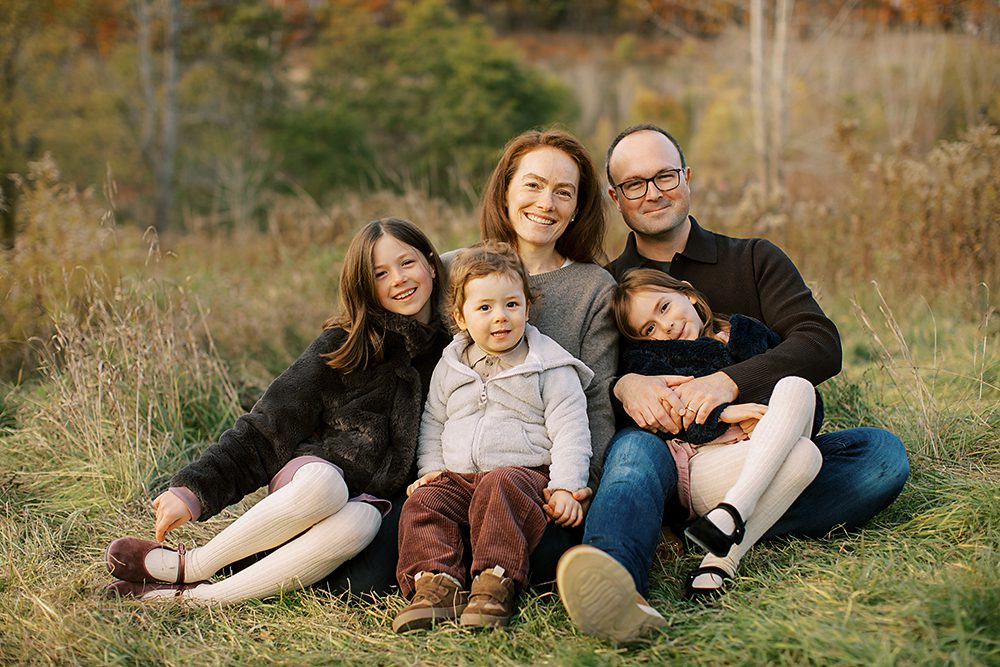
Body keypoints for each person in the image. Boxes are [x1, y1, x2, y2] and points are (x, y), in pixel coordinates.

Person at [557, 124, 910, 642]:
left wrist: (727, 381)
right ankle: (618, 584)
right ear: (616, 197)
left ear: (688, 177)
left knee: (880, 457)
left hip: (758, 453)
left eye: (664, 176)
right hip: (669, 458)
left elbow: (819, 341)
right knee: (633, 453)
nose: (652, 192)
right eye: (634, 184)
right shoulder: (608, 285)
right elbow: (588, 378)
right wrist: (624, 384)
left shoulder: (753, 258)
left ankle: (707, 530)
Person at [103, 217, 452, 605]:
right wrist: (192, 491)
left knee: (364, 521)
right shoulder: (343, 345)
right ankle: (194, 565)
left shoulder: (456, 351)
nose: (399, 279)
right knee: (327, 487)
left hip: (370, 503)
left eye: (407, 263)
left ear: (432, 265)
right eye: (380, 273)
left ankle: (203, 598)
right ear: (365, 286)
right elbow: (266, 428)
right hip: (312, 485)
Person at [392, 242, 593, 631]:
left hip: (523, 476)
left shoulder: (548, 366)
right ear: (461, 317)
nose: (500, 317)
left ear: (527, 308)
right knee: (424, 502)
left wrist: (567, 486)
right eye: (484, 308)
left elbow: (571, 429)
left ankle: (494, 582)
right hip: (460, 478)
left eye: (511, 305)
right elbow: (433, 420)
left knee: (500, 486)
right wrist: (431, 469)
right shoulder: (450, 366)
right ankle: (437, 583)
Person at [461, 128, 620, 584]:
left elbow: (596, 401)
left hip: (542, 487)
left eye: (563, 192)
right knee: (373, 570)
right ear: (505, 191)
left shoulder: (593, 287)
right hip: (458, 477)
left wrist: (577, 487)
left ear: (576, 209)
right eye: (532, 184)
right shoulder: (457, 269)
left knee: (547, 560)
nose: (546, 203)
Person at [610, 268, 823, 598]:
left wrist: (766, 410)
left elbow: (797, 395)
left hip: (768, 448)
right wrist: (726, 414)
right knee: (807, 456)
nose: (665, 326)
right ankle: (728, 531)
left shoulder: (745, 332)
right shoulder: (652, 359)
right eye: (649, 328)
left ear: (689, 294)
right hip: (705, 466)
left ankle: (724, 540)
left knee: (798, 396)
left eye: (664, 307)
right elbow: (671, 415)